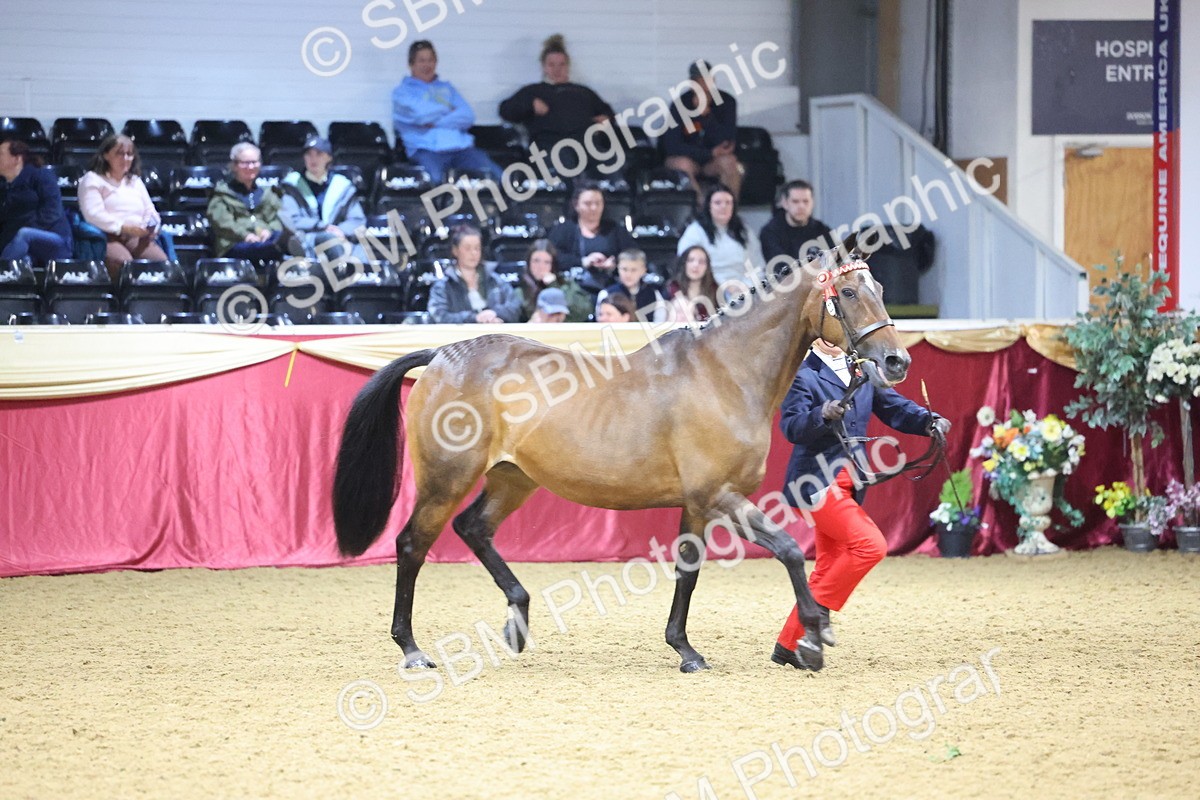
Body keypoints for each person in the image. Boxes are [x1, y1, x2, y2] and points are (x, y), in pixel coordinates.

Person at [771, 337, 951, 669]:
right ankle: (818, 613)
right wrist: (821, 414)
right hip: (815, 481)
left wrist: (929, 422)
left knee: (829, 565)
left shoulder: (863, 368)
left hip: (851, 481)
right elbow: (791, 427)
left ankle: (788, 644)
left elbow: (895, 407)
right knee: (871, 545)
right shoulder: (802, 373)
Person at [498, 33, 616, 175]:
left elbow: (608, 113)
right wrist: (529, 104)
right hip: (549, 145)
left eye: (561, 64)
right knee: (564, 158)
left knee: (609, 159)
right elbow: (505, 110)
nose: (557, 69)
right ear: (544, 67)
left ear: (568, 66)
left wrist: (606, 119)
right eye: (551, 65)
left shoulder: (583, 92)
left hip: (585, 142)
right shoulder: (533, 91)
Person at [392, 40, 504, 184]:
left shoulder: (448, 89)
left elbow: (467, 116)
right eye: (421, 61)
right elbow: (420, 115)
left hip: (461, 150)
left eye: (430, 60)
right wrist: (448, 109)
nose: (427, 65)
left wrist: (434, 122)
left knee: (497, 177)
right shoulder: (402, 93)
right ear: (411, 64)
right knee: (436, 184)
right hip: (426, 151)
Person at [77, 134, 166, 280]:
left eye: (129, 154)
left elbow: (151, 211)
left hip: (137, 235)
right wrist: (123, 227)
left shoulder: (135, 181)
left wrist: (150, 227)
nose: (125, 159)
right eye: (120, 153)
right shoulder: (92, 179)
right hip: (107, 236)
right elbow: (93, 214)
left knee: (163, 266)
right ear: (106, 155)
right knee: (124, 265)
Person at [660, 60, 742, 203]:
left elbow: (726, 141)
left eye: (707, 80)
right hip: (689, 159)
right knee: (682, 165)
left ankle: (729, 208)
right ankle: (701, 208)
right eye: (698, 81)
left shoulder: (727, 102)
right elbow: (672, 145)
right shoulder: (680, 104)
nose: (703, 85)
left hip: (713, 161)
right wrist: (707, 153)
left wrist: (707, 118)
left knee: (730, 162)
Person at [279, 136, 366, 262]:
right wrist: (323, 227)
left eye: (319, 154)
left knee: (361, 253)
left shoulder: (343, 186)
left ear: (329, 157)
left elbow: (357, 220)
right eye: (308, 154)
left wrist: (340, 230)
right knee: (326, 242)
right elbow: (291, 219)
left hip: (339, 237)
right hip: (306, 238)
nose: (313, 159)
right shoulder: (291, 185)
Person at [675, 183, 763, 294]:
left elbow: (757, 266)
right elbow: (686, 267)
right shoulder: (695, 232)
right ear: (709, 206)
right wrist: (720, 288)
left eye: (728, 203)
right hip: (707, 292)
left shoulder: (745, 232)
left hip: (744, 292)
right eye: (718, 203)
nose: (723, 207)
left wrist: (745, 287)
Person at [547, 180, 633, 292]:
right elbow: (552, 257)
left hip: (610, 288)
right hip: (572, 290)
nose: (594, 208)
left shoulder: (615, 229)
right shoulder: (563, 230)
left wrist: (614, 262)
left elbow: (632, 254)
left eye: (598, 203)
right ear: (576, 205)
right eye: (588, 204)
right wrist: (583, 261)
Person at [207, 143, 288, 262]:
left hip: (264, 240)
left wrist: (268, 231)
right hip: (234, 244)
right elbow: (222, 223)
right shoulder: (222, 193)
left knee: (281, 237)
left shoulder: (267, 193)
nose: (250, 167)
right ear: (234, 166)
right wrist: (245, 235)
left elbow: (277, 218)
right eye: (245, 163)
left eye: (254, 162)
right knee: (275, 248)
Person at [427, 225, 521, 324]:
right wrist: (474, 318)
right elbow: (439, 316)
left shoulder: (495, 280)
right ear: (455, 250)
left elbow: (515, 307)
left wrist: (495, 313)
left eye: (477, 248)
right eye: (468, 248)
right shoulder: (443, 286)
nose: (474, 253)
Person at [0, 137, 72, 265]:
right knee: (24, 260)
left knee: (24, 234)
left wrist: (22, 228)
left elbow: (52, 211)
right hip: (23, 244)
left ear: (17, 159)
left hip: (55, 238)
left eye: (1, 154)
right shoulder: (4, 187)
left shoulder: (41, 175)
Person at [514, 239, 592, 322]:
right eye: (536, 261)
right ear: (528, 263)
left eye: (546, 262)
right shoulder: (520, 291)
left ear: (553, 265)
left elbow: (585, 311)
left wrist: (554, 286)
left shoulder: (566, 285)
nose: (540, 267)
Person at [759, 180, 833, 266]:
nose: (801, 206)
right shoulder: (770, 233)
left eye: (805, 201)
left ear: (812, 203)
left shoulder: (822, 230)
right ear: (785, 203)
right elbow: (779, 269)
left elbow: (836, 261)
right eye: (795, 201)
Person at [595, 249, 666, 322]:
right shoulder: (606, 294)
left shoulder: (653, 294)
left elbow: (660, 321)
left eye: (634, 270)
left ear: (643, 271)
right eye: (624, 269)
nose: (628, 275)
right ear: (618, 268)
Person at [665, 245, 720, 323]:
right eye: (691, 260)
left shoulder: (716, 291)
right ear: (684, 264)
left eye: (701, 262)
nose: (696, 265)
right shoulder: (671, 289)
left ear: (707, 267)